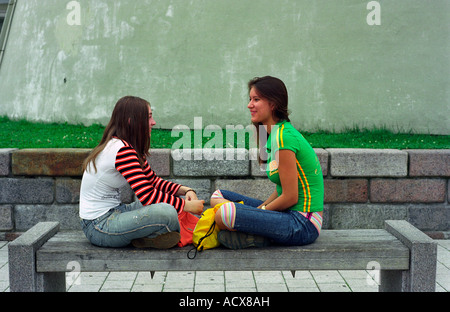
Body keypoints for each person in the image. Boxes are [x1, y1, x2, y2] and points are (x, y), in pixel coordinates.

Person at [211, 76, 324, 249]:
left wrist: (259, 213)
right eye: (250, 99)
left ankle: (256, 233)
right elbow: (281, 191)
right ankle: (256, 234)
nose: (250, 105)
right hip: (288, 214)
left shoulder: (284, 137)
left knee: (225, 214)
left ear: (273, 104)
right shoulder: (272, 136)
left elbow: (290, 196)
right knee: (218, 196)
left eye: (256, 99)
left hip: (303, 223)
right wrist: (259, 212)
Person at [79, 96, 204, 248]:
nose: (153, 122)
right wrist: (186, 206)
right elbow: (147, 196)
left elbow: (153, 182)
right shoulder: (122, 150)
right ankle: (152, 235)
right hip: (98, 226)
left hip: (116, 212)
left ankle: (147, 238)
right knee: (167, 212)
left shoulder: (128, 147)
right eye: (149, 117)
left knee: (169, 203)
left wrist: (185, 190)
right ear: (132, 121)